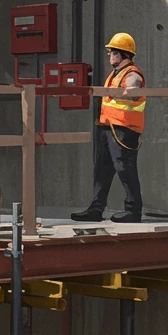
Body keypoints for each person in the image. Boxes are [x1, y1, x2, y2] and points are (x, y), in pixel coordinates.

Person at [71, 33, 146, 224]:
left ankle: (133, 211)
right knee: (102, 170)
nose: (109, 55)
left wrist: (120, 93)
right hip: (108, 127)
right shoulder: (115, 73)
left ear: (122, 54)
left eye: (112, 52)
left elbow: (134, 90)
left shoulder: (132, 74)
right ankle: (96, 209)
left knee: (125, 169)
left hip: (124, 129)